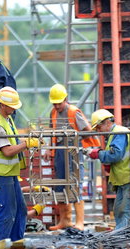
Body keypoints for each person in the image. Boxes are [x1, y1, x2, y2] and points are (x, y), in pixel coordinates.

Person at [0, 86, 40, 242]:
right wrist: (27, 144)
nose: (14, 109)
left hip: (8, 171)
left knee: (20, 209)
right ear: (2, 105)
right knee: (5, 210)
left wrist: (27, 140)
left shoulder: (6, 117)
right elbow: (8, 151)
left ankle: (16, 242)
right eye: (12, 106)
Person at [43, 84, 100, 231]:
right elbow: (52, 132)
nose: (56, 106)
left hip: (74, 152)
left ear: (66, 99)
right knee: (60, 186)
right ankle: (65, 220)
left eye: (59, 103)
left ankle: (80, 222)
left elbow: (88, 131)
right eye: (54, 103)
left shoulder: (74, 112)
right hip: (60, 153)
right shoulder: (53, 113)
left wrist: (90, 145)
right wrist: (49, 149)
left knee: (75, 185)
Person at [85, 109, 130, 229]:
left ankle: (123, 238)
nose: (98, 131)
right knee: (118, 210)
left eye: (98, 128)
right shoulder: (114, 134)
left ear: (106, 123)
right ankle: (122, 235)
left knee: (125, 211)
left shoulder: (119, 133)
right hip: (126, 177)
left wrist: (97, 154)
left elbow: (116, 155)